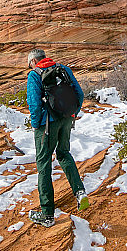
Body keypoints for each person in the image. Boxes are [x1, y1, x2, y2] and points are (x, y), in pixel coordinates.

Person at [26, 48, 89, 227]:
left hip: (47, 124)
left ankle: (47, 215)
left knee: (44, 164)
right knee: (63, 153)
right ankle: (80, 192)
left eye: (29, 64)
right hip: (67, 119)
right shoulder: (63, 69)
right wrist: (73, 113)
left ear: (33, 61)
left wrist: (36, 125)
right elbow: (80, 94)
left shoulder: (34, 75)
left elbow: (34, 104)